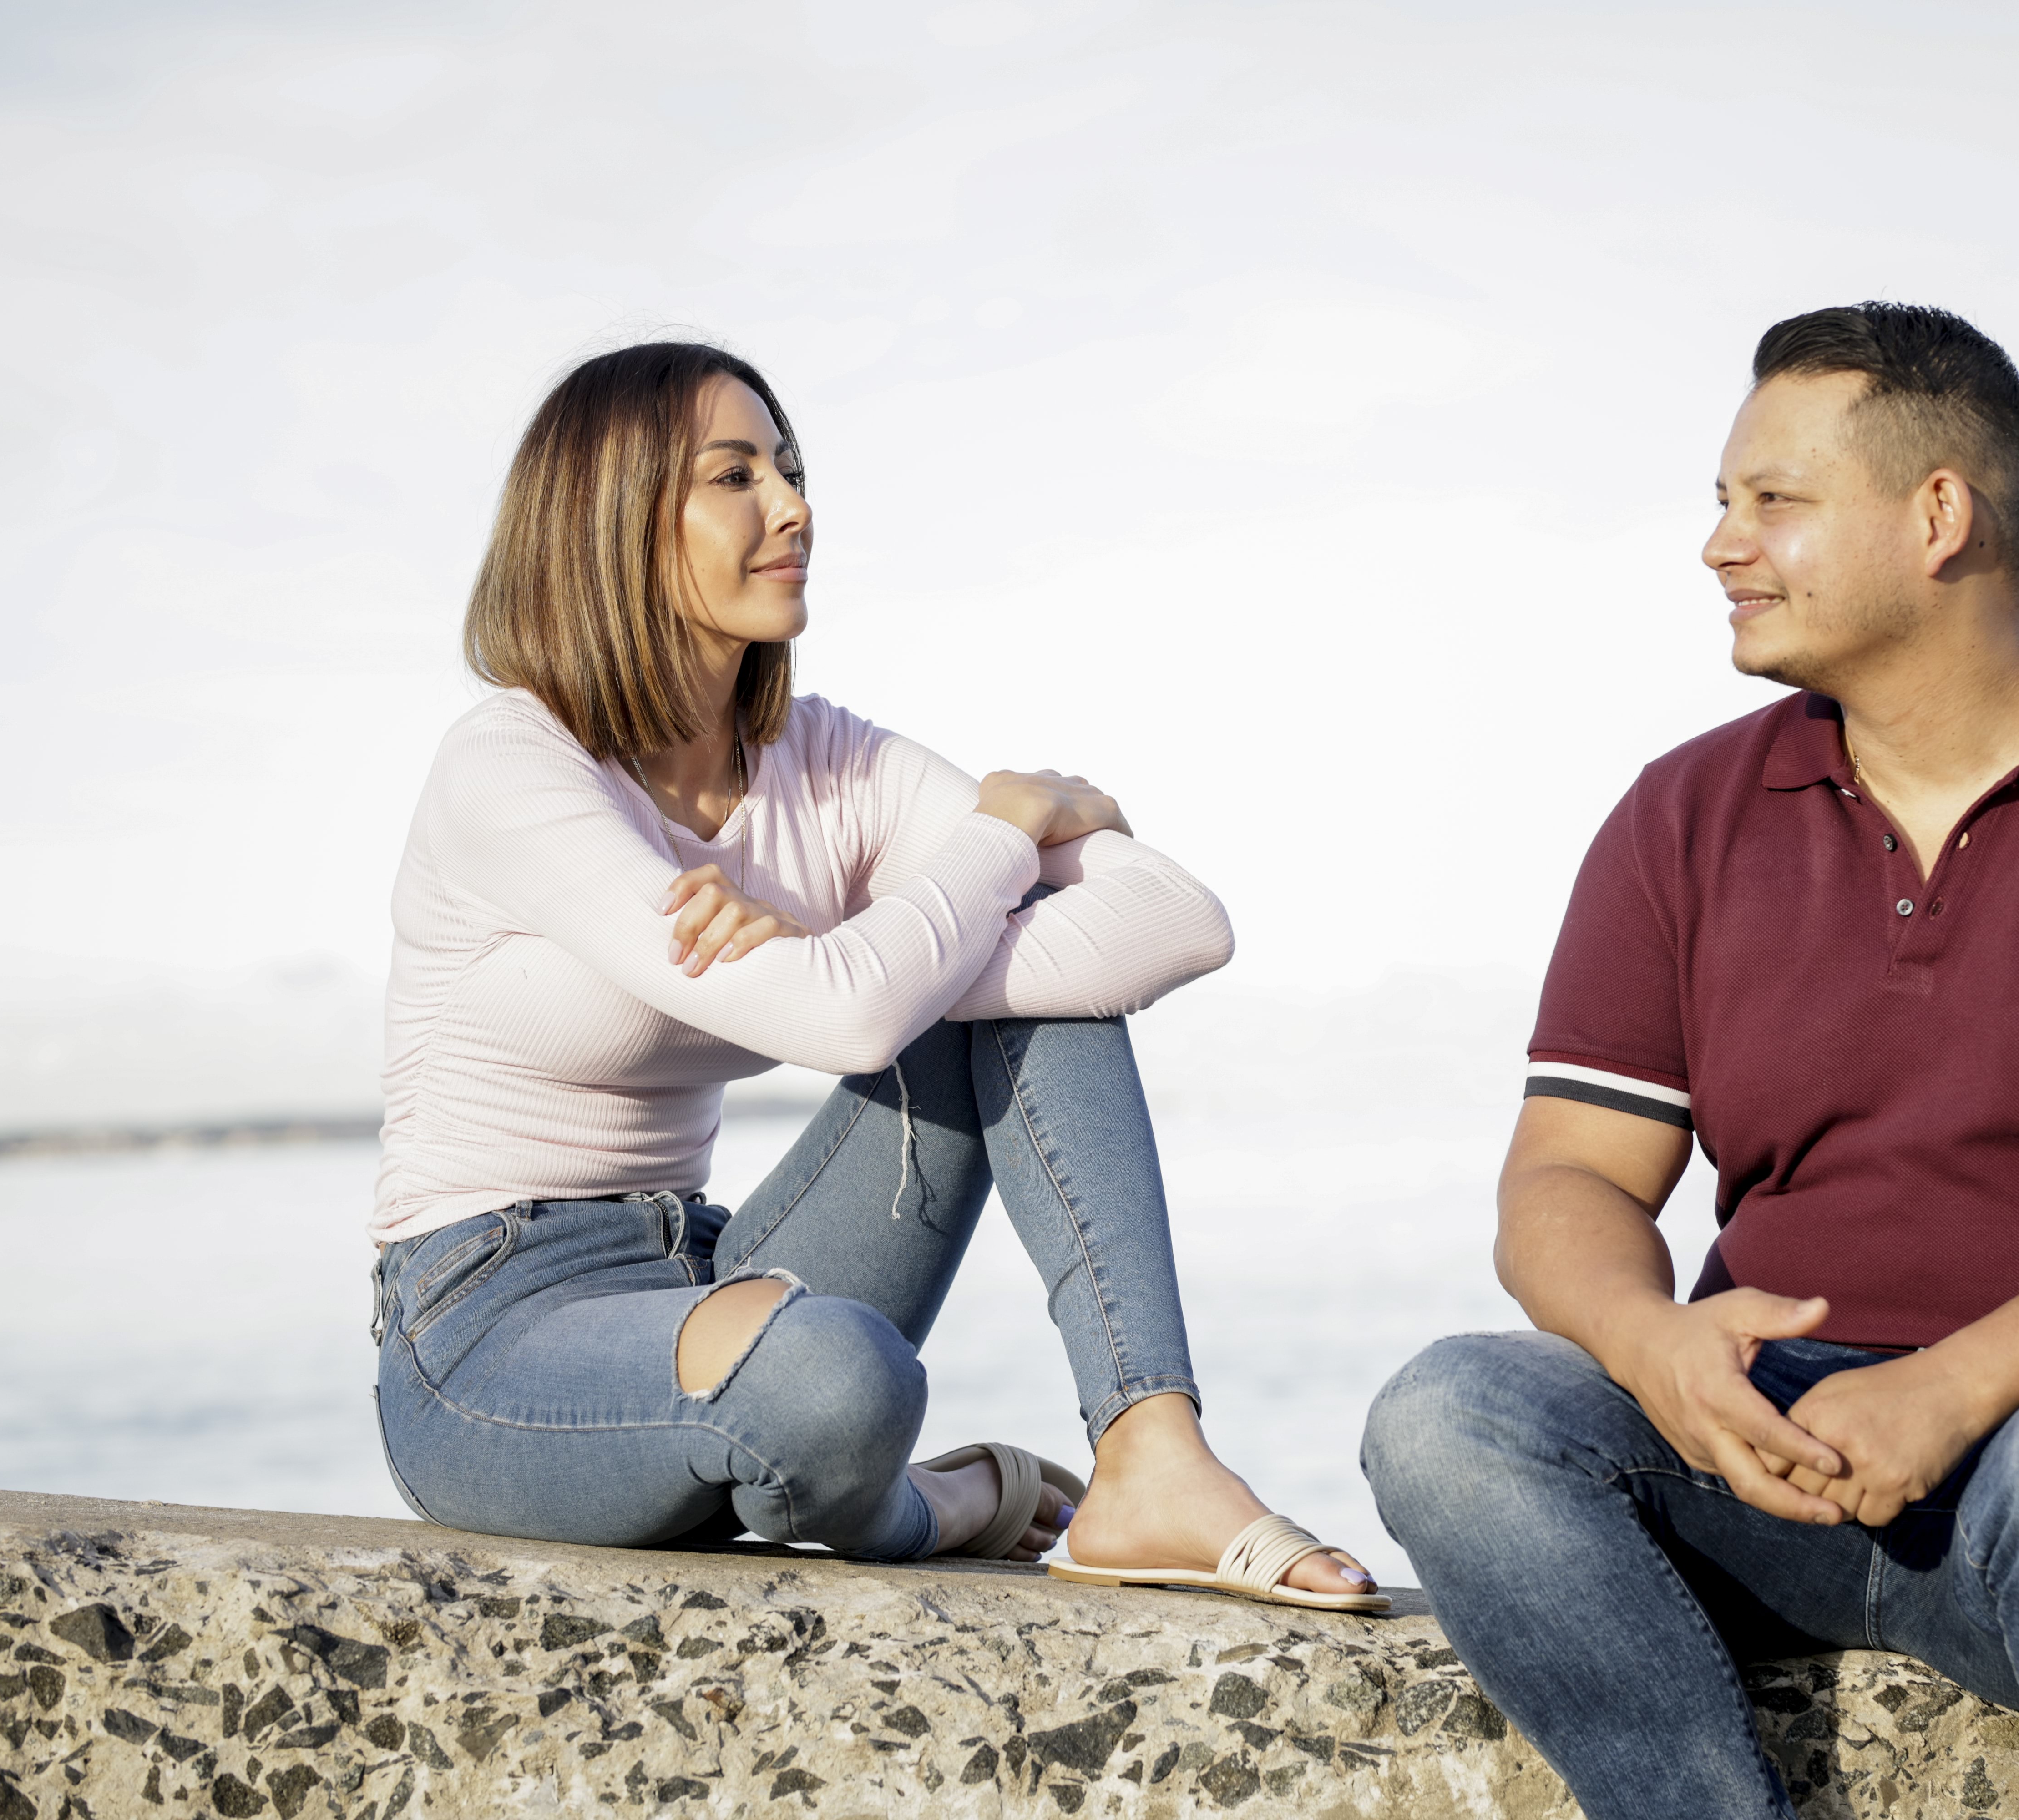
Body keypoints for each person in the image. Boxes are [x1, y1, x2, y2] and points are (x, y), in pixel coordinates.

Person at [1363, 303, 2019, 1816]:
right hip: (1776, 1448)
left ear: (1939, 517)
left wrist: (1954, 1390)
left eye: (1771, 501)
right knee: (1451, 1416)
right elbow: (1568, 1177)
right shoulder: (1686, 812)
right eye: (1723, 502)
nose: (1720, 544)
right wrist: (1659, 1352)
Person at [370, 340, 1382, 1612]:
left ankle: (1151, 1452)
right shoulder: (512, 769)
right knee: (834, 1382)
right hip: (486, 1332)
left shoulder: (819, 759)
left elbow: (1178, 922)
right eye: (735, 476)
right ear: (610, 524)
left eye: (788, 470)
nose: (793, 507)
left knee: (1019, 993)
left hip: (712, 1272)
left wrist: (912, 913)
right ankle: (929, 1504)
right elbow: (847, 1014)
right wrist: (1007, 835)